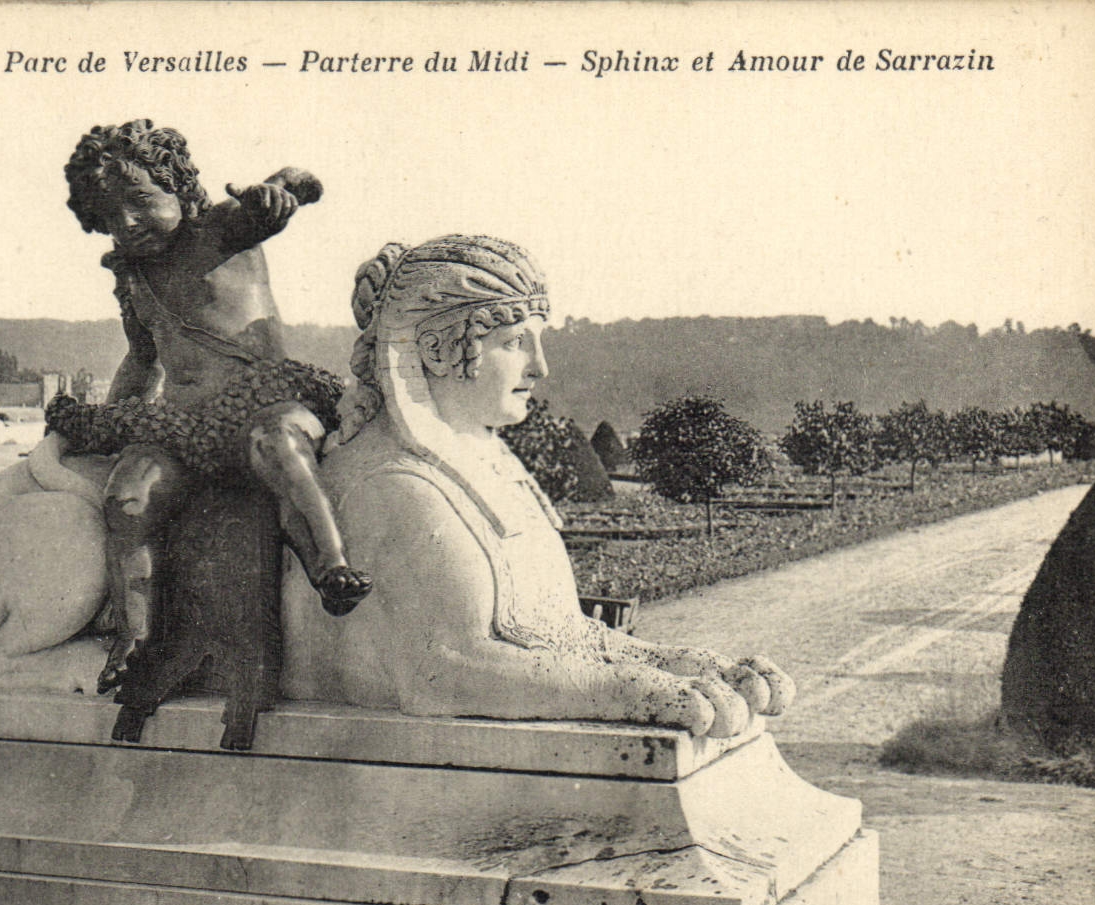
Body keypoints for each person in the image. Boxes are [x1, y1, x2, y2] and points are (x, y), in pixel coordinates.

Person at [281, 235, 793, 736]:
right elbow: (443, 675)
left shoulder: (480, 462)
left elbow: (558, 633)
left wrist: (686, 665)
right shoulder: (390, 483)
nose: (540, 367)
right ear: (435, 350)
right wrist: (636, 692)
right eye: (513, 343)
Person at [46, 119, 371, 693]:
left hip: (265, 400)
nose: (126, 222)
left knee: (277, 446)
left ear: (179, 187)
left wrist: (280, 193)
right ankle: (136, 636)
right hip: (184, 423)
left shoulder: (223, 229)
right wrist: (110, 424)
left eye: (141, 201)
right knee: (128, 497)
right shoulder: (134, 280)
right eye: (109, 214)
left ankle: (332, 566)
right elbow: (142, 361)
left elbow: (302, 182)